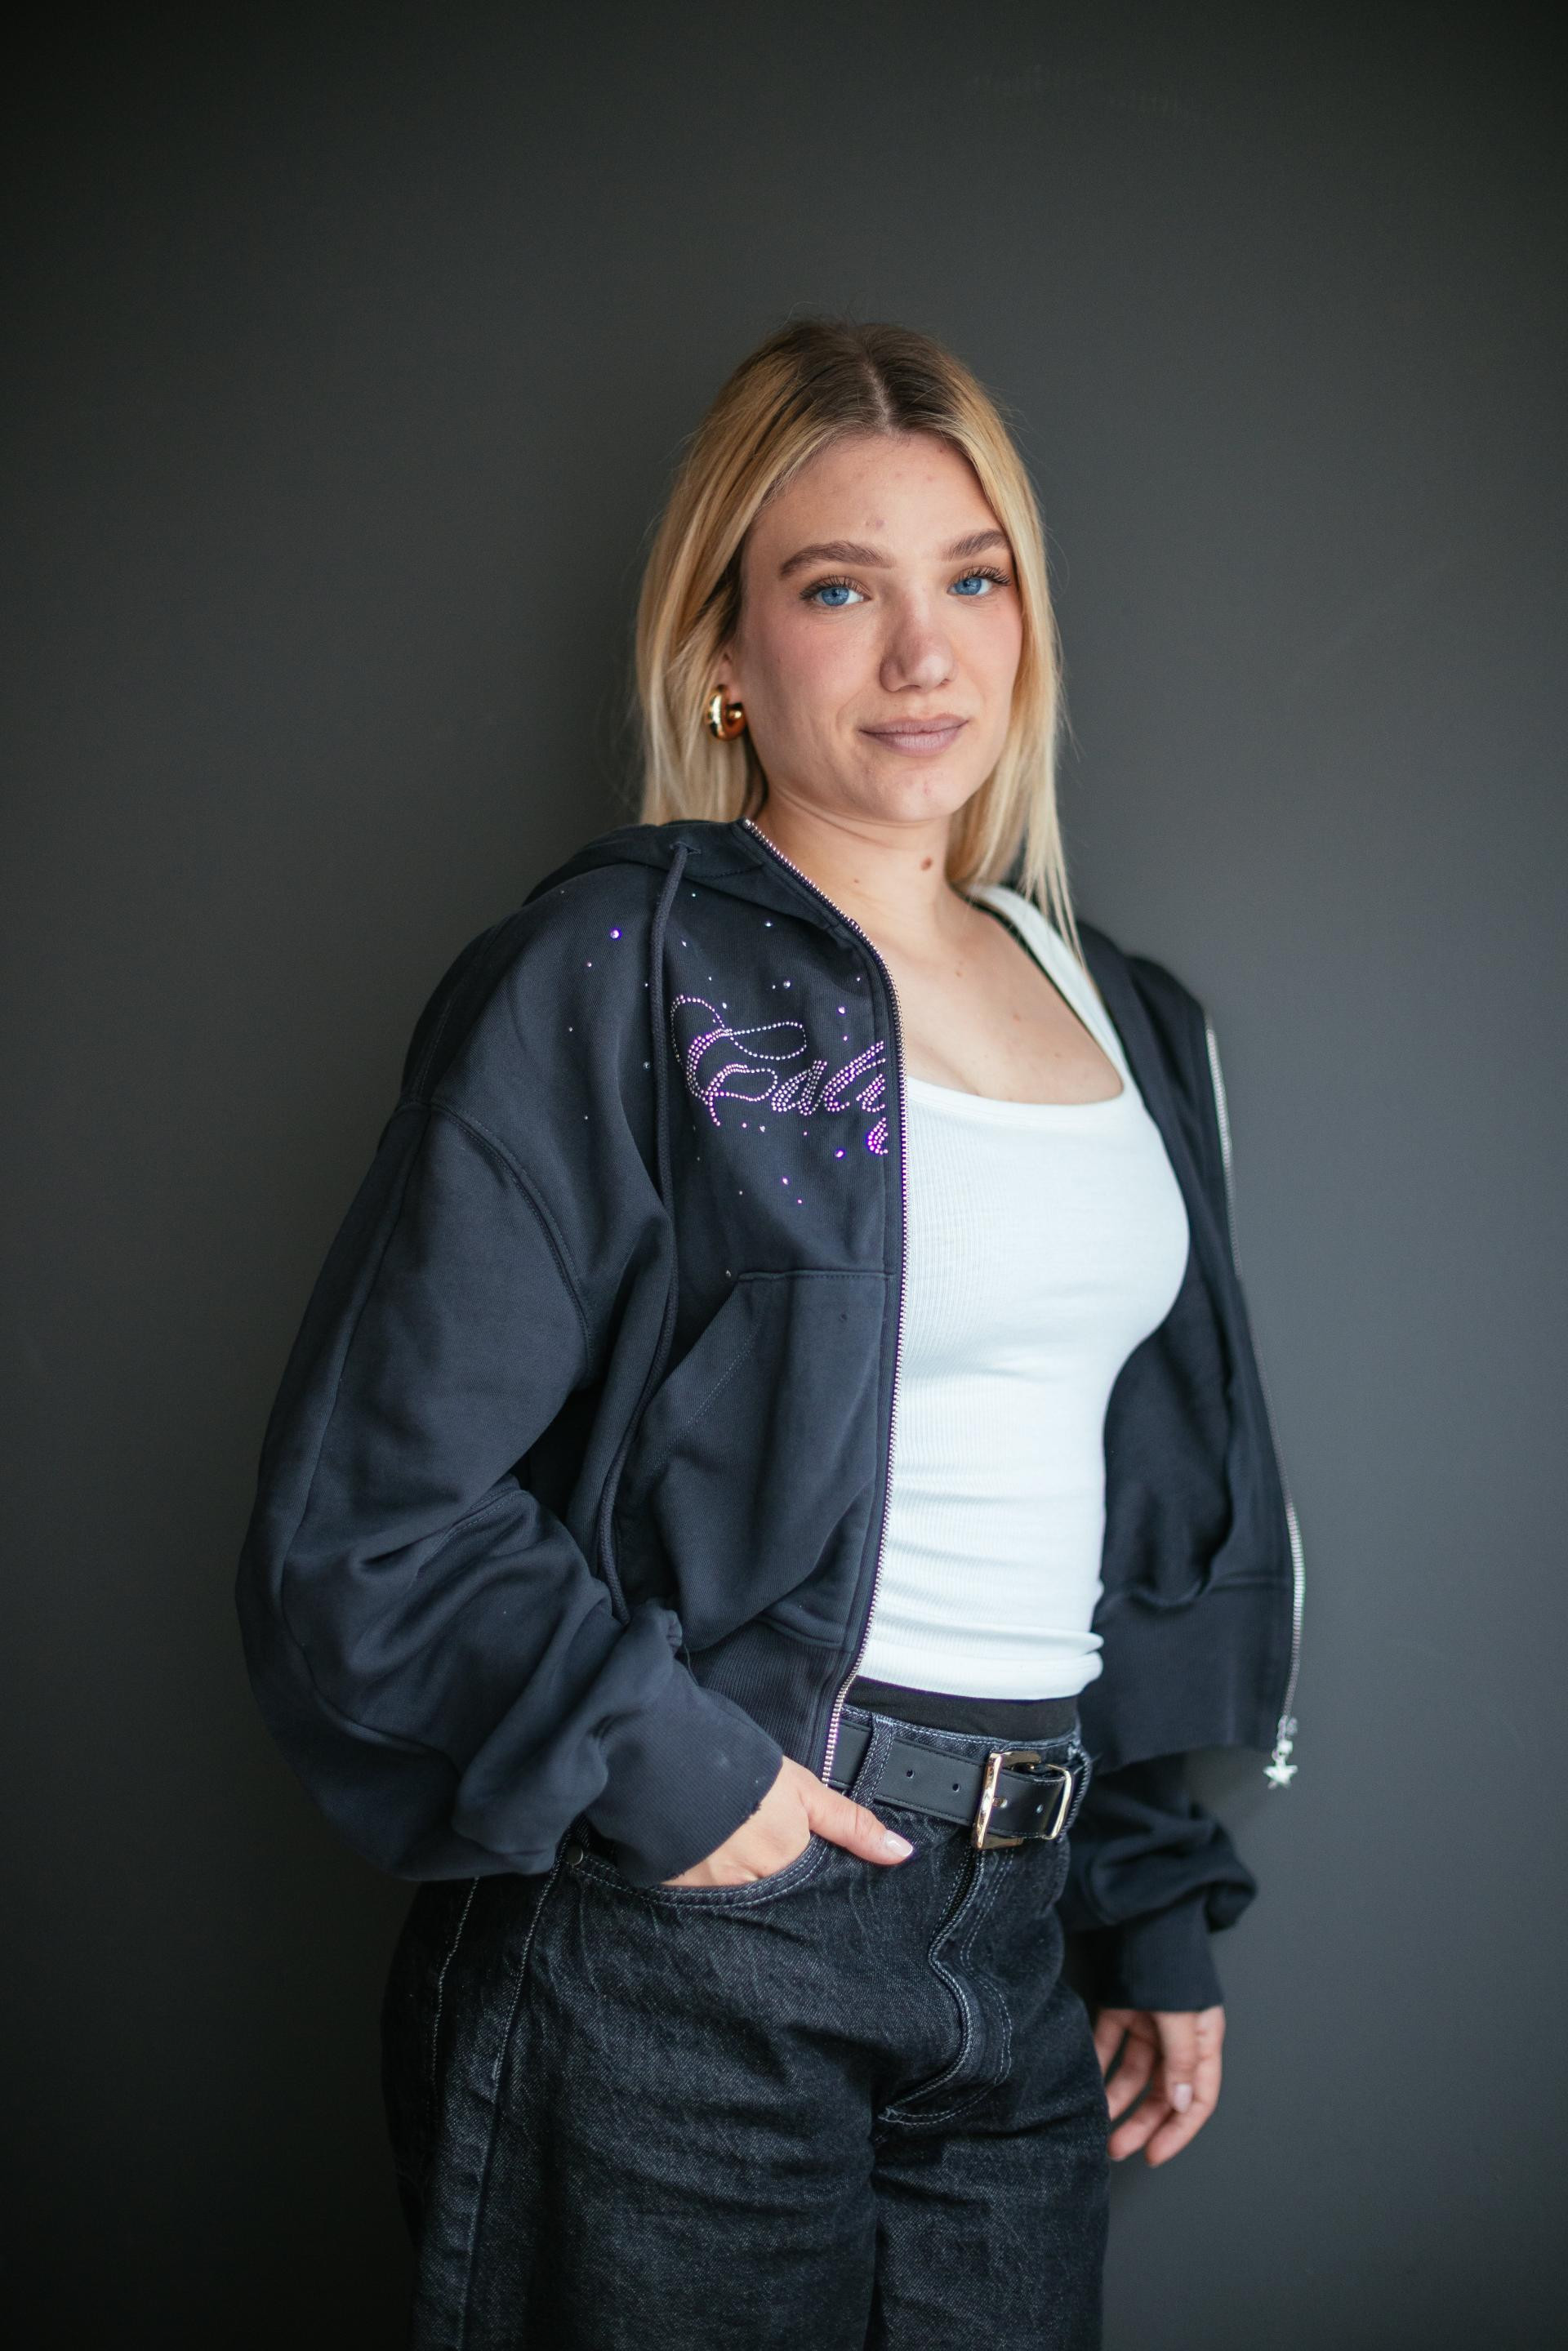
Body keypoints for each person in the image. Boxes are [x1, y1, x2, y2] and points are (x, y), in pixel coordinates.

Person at [235, 317, 1303, 2350]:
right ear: (724, 650)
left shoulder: (1125, 1014)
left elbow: (1141, 1499)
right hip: (691, 1939)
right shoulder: (612, 973)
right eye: (838, 589)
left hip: (1017, 1952)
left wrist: (1146, 1898)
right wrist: (673, 1772)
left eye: (972, 579)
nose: (924, 655)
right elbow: (367, 1518)